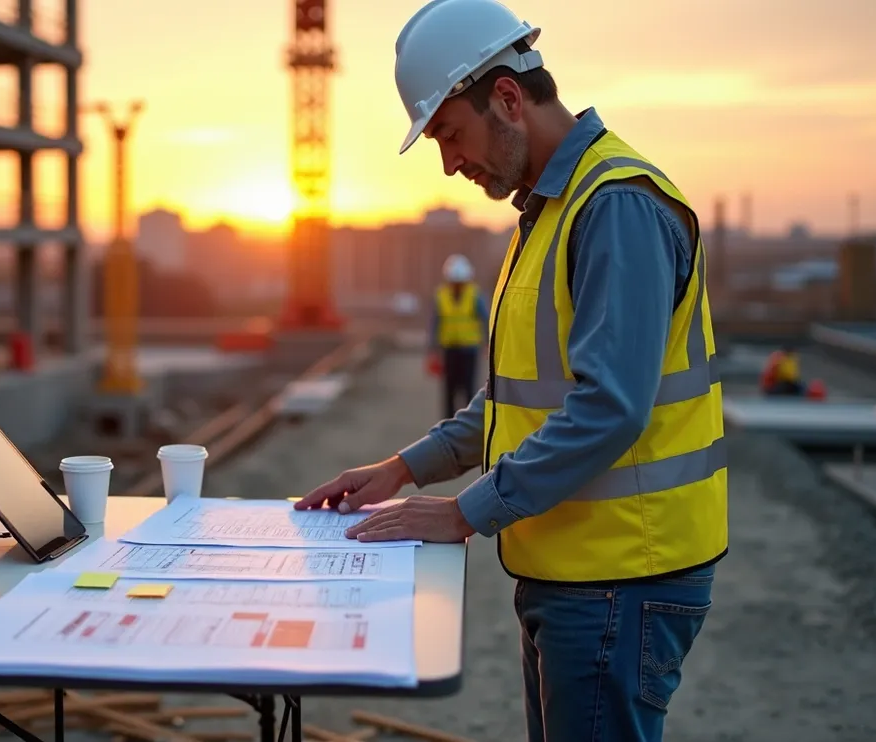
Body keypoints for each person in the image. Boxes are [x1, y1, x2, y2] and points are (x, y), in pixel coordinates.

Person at [294, 2, 727, 740]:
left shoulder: (615, 206)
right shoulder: (554, 210)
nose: (449, 162)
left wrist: (464, 513)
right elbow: (518, 399)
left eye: (449, 134)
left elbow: (608, 409)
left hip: (620, 573)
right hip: (578, 569)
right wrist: (404, 468)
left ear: (506, 98)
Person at [429, 254, 489, 419]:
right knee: (449, 391)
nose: (457, 286)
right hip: (450, 351)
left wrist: (489, 343)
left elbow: (486, 319)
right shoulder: (441, 295)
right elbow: (435, 323)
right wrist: (432, 350)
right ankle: (448, 426)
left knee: (469, 391)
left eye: (460, 283)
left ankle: (468, 427)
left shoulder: (475, 295)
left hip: (469, 350)